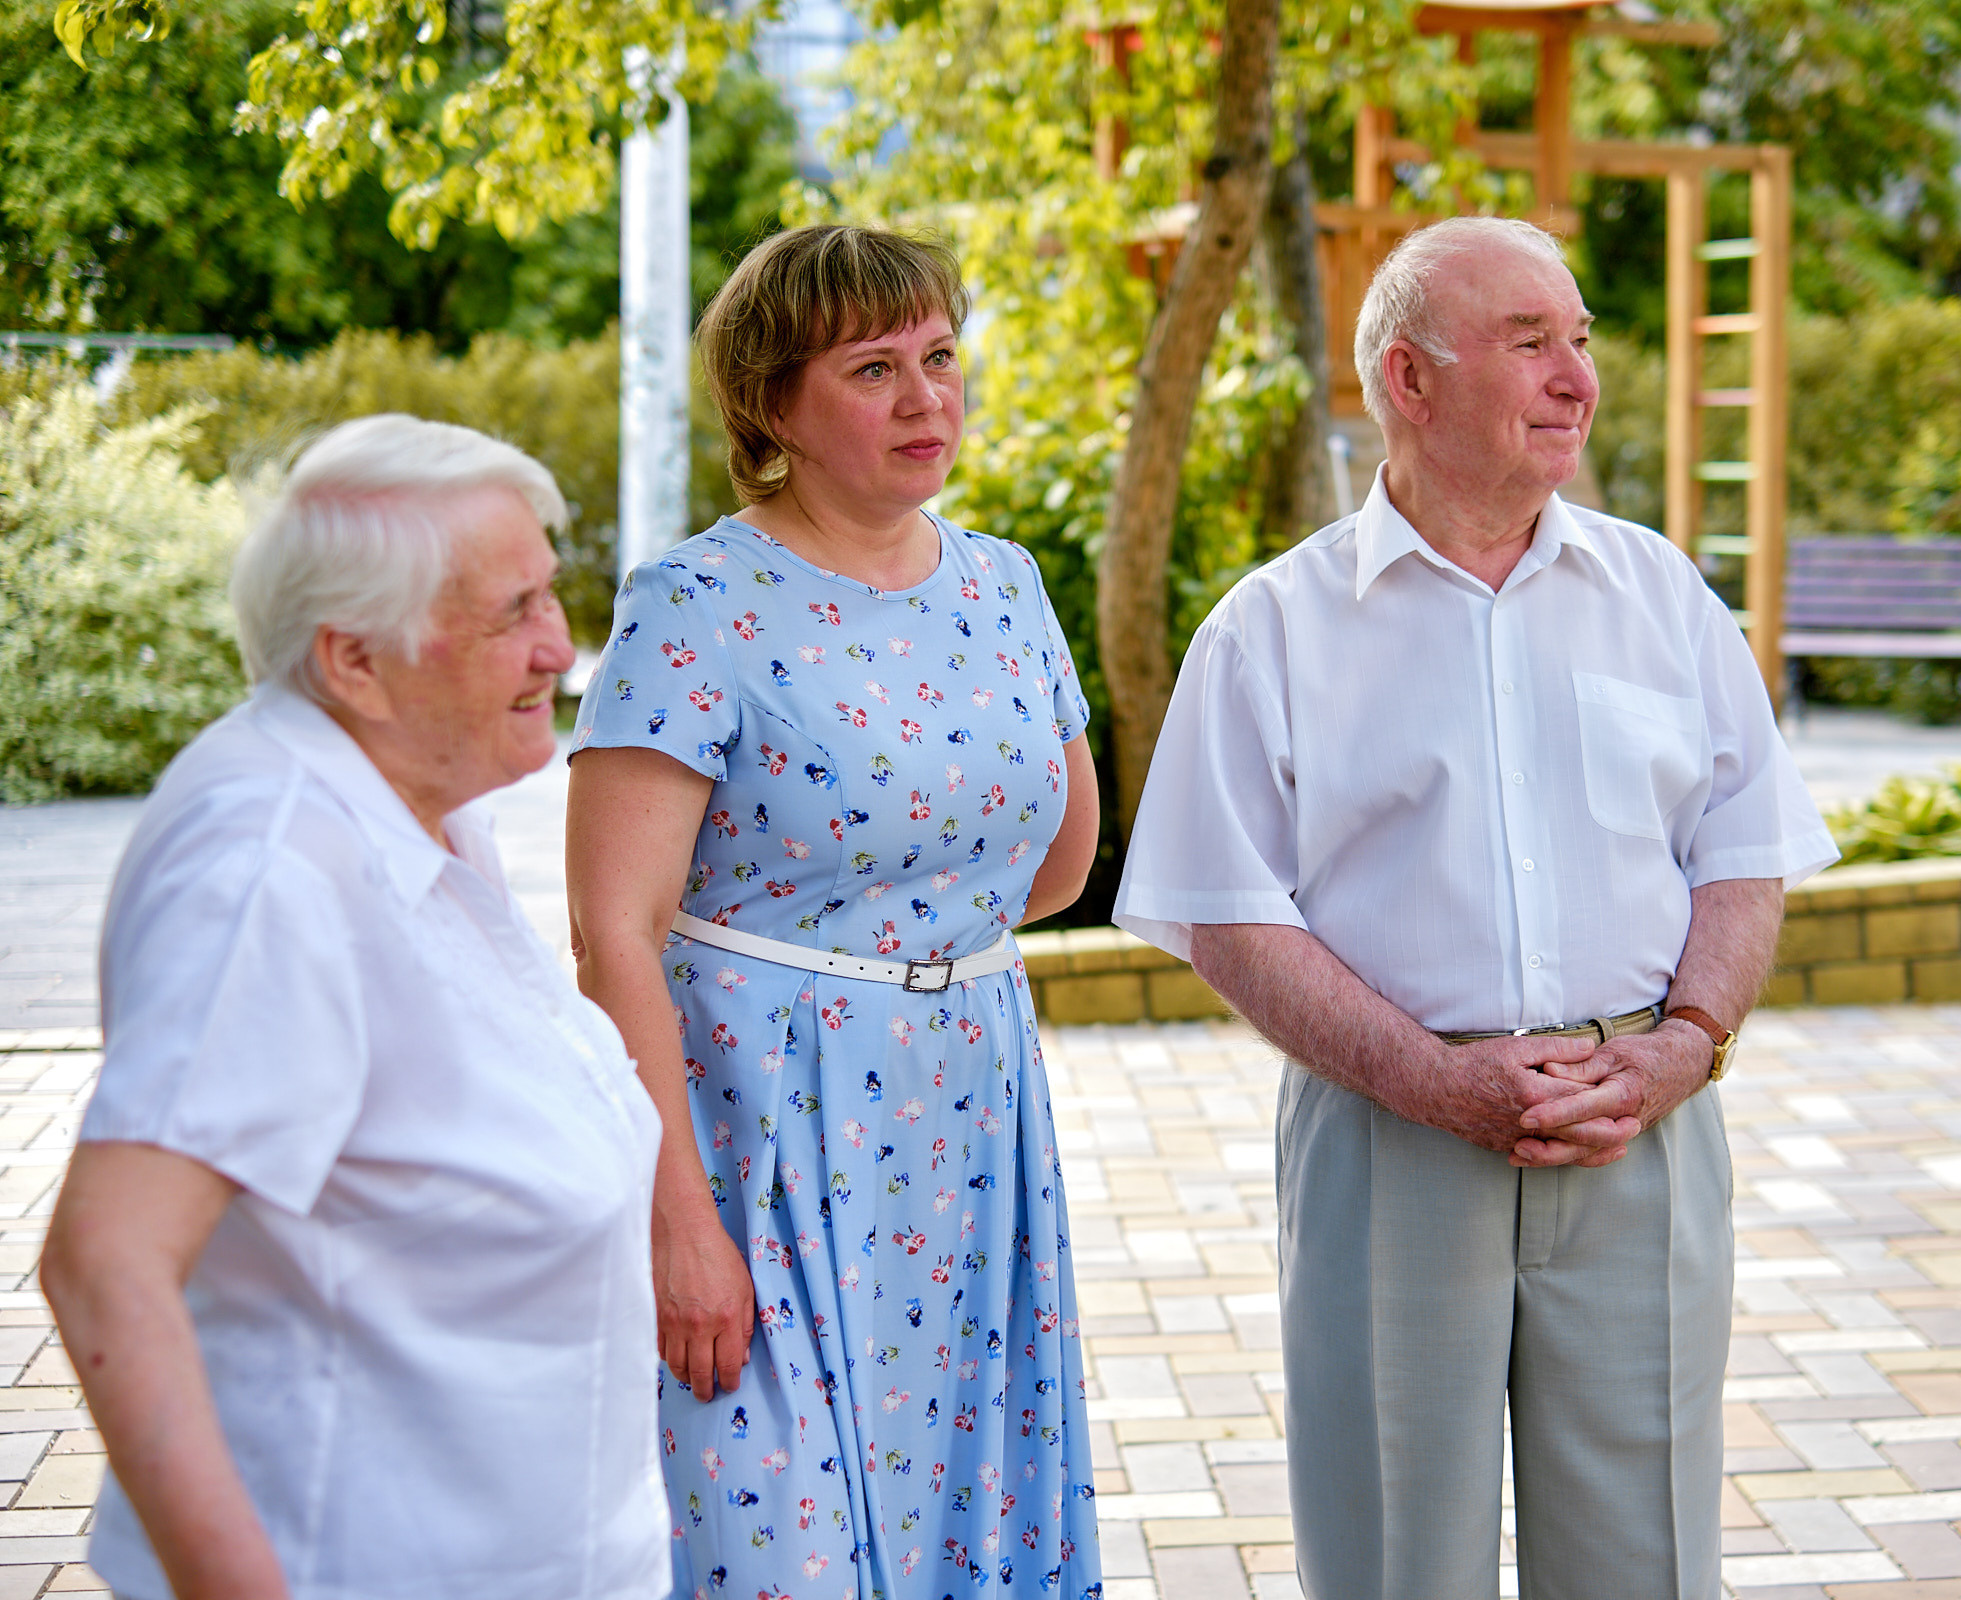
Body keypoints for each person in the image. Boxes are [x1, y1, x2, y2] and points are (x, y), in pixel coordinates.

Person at [1114, 215, 1838, 1600]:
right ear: (1408, 380)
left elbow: (1745, 851)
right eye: (1529, 343)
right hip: (1390, 1140)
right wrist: (1437, 1084)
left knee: (1648, 1566)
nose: (1577, 376)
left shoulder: (1663, 597)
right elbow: (1227, 917)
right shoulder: (1272, 631)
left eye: (1580, 340)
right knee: (1394, 1563)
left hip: (1644, 1131)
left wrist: (1683, 1049)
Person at [39, 416, 668, 1600]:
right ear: (355, 661)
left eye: (551, 596)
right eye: (512, 614)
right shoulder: (268, 867)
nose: (561, 647)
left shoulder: (416, 795)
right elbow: (103, 1264)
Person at [567, 223, 1104, 1599]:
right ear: (773, 407)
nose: (928, 395)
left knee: (969, 1523)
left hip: (971, 1113)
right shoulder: (692, 603)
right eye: (875, 368)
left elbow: (1057, 868)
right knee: (771, 1539)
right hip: (761, 1129)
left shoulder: (1008, 583)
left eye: (939, 356)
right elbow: (610, 930)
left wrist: (918, 957)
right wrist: (674, 1212)